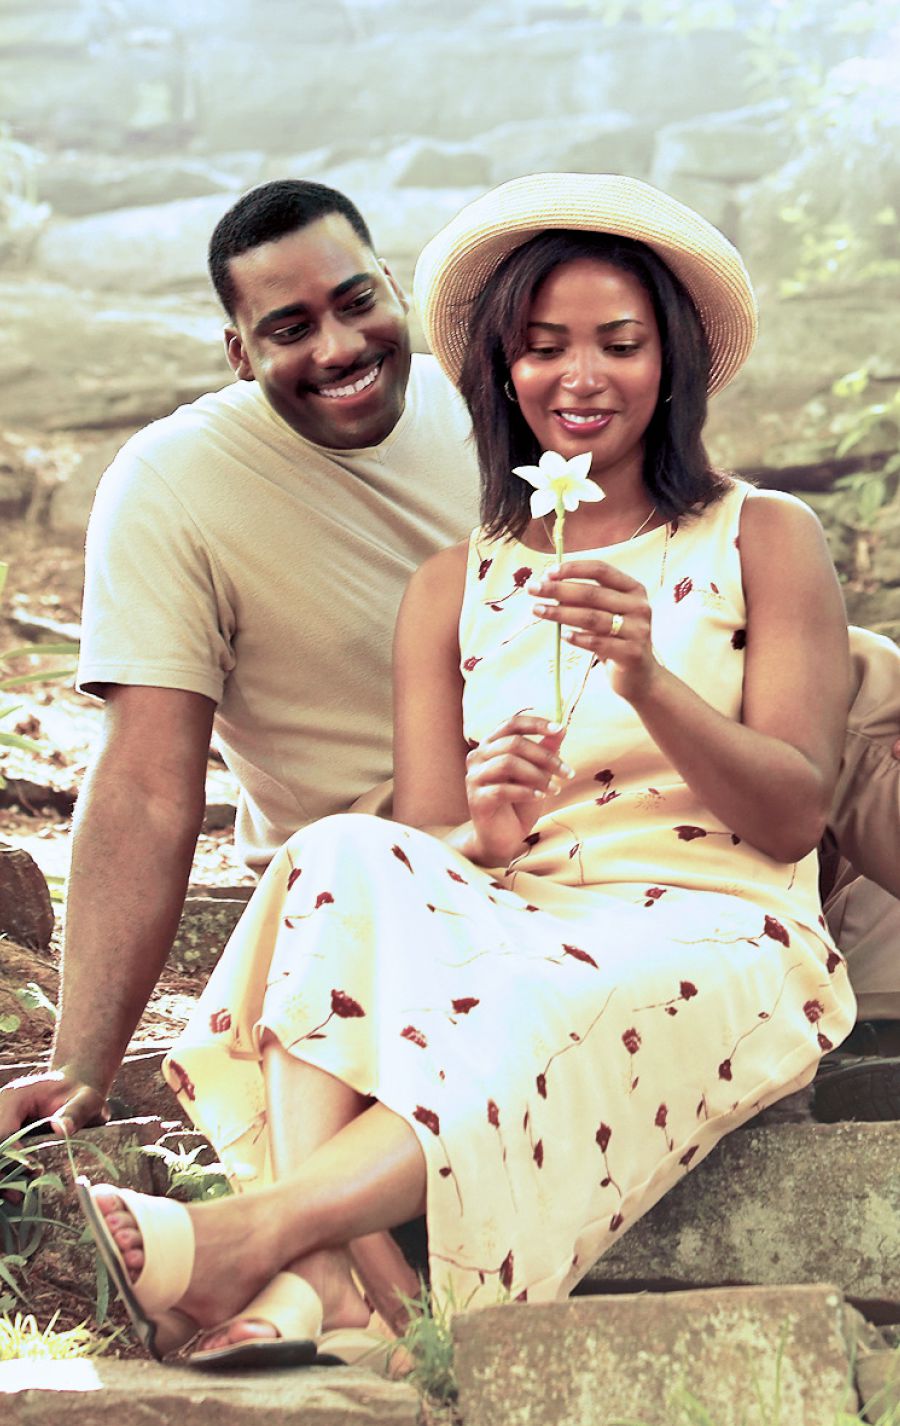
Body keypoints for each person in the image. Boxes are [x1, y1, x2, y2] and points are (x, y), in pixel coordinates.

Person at [73, 173, 856, 1370]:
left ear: (674, 357)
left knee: (535, 1007)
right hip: (519, 910)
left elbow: (798, 813)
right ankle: (336, 1282)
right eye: (542, 350)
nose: (578, 377)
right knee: (331, 848)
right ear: (499, 370)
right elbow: (428, 840)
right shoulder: (455, 581)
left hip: (716, 927)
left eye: (619, 344)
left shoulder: (762, 536)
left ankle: (273, 1237)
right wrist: (486, 831)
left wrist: (649, 679)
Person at [0, 179, 478, 1137]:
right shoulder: (172, 484)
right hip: (375, 871)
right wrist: (81, 1066)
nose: (338, 347)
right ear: (238, 350)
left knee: (860, 678)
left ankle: (873, 1025)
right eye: (290, 327)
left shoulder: (493, 402)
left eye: (355, 303)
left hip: (578, 805)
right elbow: (142, 778)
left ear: (392, 286)